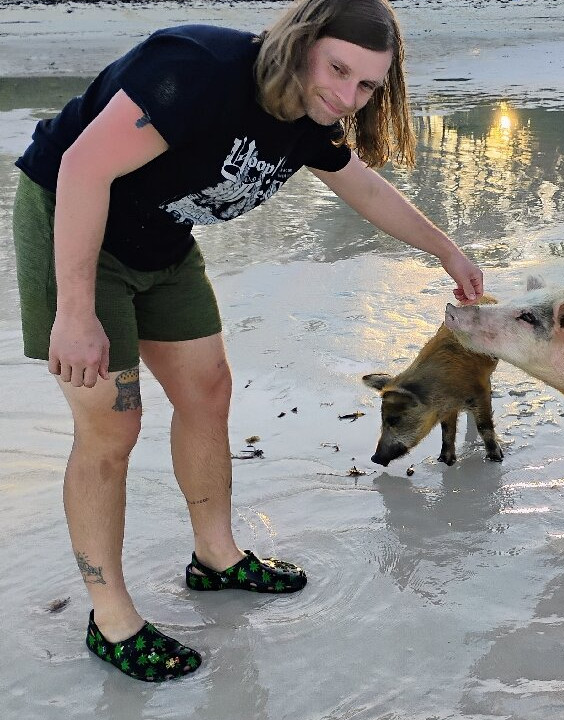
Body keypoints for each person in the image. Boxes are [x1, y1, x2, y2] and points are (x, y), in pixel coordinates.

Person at [12, 0, 483, 682]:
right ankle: (110, 619)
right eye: (338, 69)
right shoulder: (198, 69)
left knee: (209, 391)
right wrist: (76, 312)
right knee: (112, 426)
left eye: (366, 86)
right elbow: (84, 167)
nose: (346, 96)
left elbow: (364, 187)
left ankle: (217, 559)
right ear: (302, 41)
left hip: (160, 240)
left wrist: (448, 252)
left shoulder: (311, 120)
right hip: (74, 223)